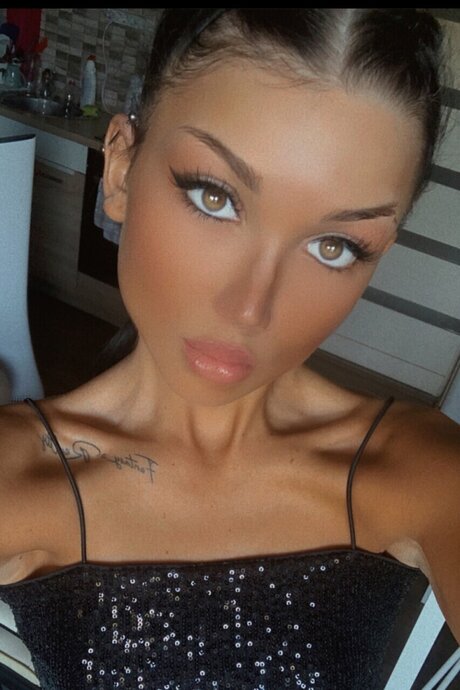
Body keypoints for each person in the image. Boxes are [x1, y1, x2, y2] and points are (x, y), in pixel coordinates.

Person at [0, 8, 459, 690]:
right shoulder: (18, 473)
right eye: (214, 197)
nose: (251, 309)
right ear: (119, 170)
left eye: (334, 246)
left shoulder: (420, 469)